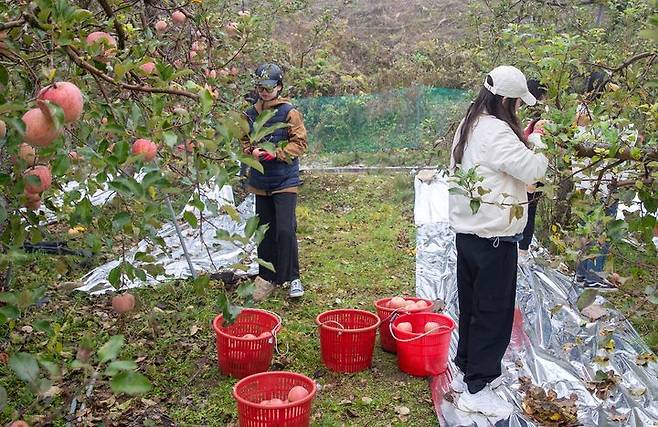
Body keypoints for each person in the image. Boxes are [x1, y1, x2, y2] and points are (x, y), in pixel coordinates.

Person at [448, 66, 548, 418]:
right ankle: (478, 387)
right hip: (493, 238)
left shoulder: (470, 123)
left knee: (473, 308)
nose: (518, 109)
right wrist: (538, 140)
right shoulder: (497, 132)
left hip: (469, 236)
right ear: (506, 99)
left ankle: (465, 372)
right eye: (517, 103)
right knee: (493, 313)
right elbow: (534, 171)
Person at [241, 63, 308, 298]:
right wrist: (251, 152)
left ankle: (292, 278)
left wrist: (276, 153)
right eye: (260, 86)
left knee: (285, 229)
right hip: (261, 181)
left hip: (285, 179)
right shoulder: (249, 114)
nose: (264, 91)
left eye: (269, 87)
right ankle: (266, 277)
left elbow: (299, 143)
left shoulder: (289, 112)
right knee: (264, 231)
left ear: (279, 87)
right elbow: (244, 142)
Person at [518, 79, 549, 264]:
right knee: (526, 210)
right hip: (526, 170)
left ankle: (522, 251)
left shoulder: (542, 120)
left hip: (532, 173)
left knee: (529, 210)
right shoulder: (532, 117)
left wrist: (533, 181)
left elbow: (540, 148)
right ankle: (521, 250)